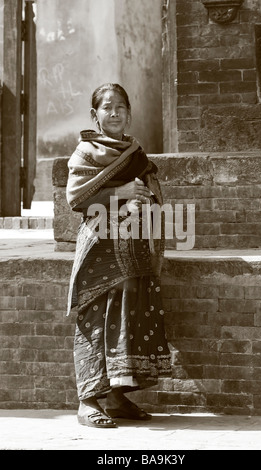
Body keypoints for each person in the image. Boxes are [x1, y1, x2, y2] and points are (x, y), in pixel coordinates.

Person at [66, 83, 171, 428]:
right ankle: (88, 400)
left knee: (130, 315)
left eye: (120, 107)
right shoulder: (85, 152)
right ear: (94, 116)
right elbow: (77, 199)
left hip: (134, 250)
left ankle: (115, 397)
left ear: (129, 113)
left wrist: (146, 200)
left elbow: (153, 191)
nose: (114, 113)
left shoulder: (136, 154)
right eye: (107, 108)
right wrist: (122, 191)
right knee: (97, 317)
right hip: (100, 250)